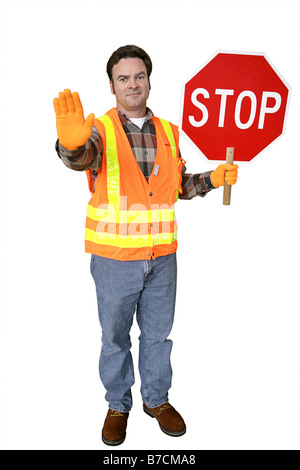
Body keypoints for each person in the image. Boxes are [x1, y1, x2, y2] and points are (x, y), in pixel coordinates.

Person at [53, 45, 238, 446]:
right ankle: (118, 405)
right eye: (124, 78)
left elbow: (177, 187)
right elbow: (82, 157)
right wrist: (70, 146)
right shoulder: (99, 130)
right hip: (116, 260)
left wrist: (214, 179)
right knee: (115, 338)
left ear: (149, 81)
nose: (132, 84)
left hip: (163, 259)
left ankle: (156, 399)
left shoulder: (170, 132)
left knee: (158, 336)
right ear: (112, 85)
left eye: (139, 76)